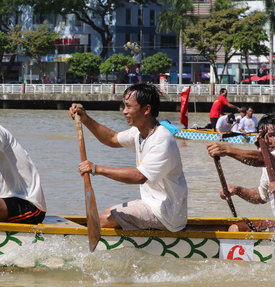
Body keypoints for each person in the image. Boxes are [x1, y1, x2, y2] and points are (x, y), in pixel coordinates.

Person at [68, 84, 188, 231]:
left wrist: (96, 169)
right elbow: (111, 138)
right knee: (105, 214)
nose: (124, 112)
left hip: (166, 215)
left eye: (128, 107)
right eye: (124, 106)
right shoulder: (138, 132)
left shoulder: (162, 139)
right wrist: (86, 119)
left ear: (146, 110)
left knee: (101, 220)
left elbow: (139, 177)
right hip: (151, 204)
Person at [207, 114, 275, 232]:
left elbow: (262, 159)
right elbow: (260, 196)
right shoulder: (268, 162)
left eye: (273, 136)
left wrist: (227, 150)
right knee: (236, 228)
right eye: (264, 136)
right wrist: (236, 190)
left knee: (235, 229)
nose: (268, 141)